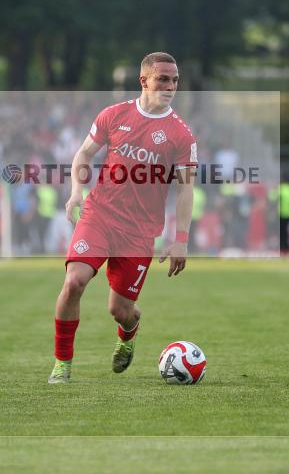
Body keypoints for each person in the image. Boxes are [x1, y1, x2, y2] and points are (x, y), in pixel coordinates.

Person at [48, 52, 197, 384]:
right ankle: (62, 363)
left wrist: (181, 240)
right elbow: (84, 153)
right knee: (74, 283)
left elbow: (186, 190)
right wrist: (76, 190)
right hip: (99, 214)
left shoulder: (181, 135)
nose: (170, 85)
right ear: (143, 80)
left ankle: (129, 332)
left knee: (120, 310)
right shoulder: (114, 115)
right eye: (163, 78)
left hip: (140, 232)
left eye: (175, 80)